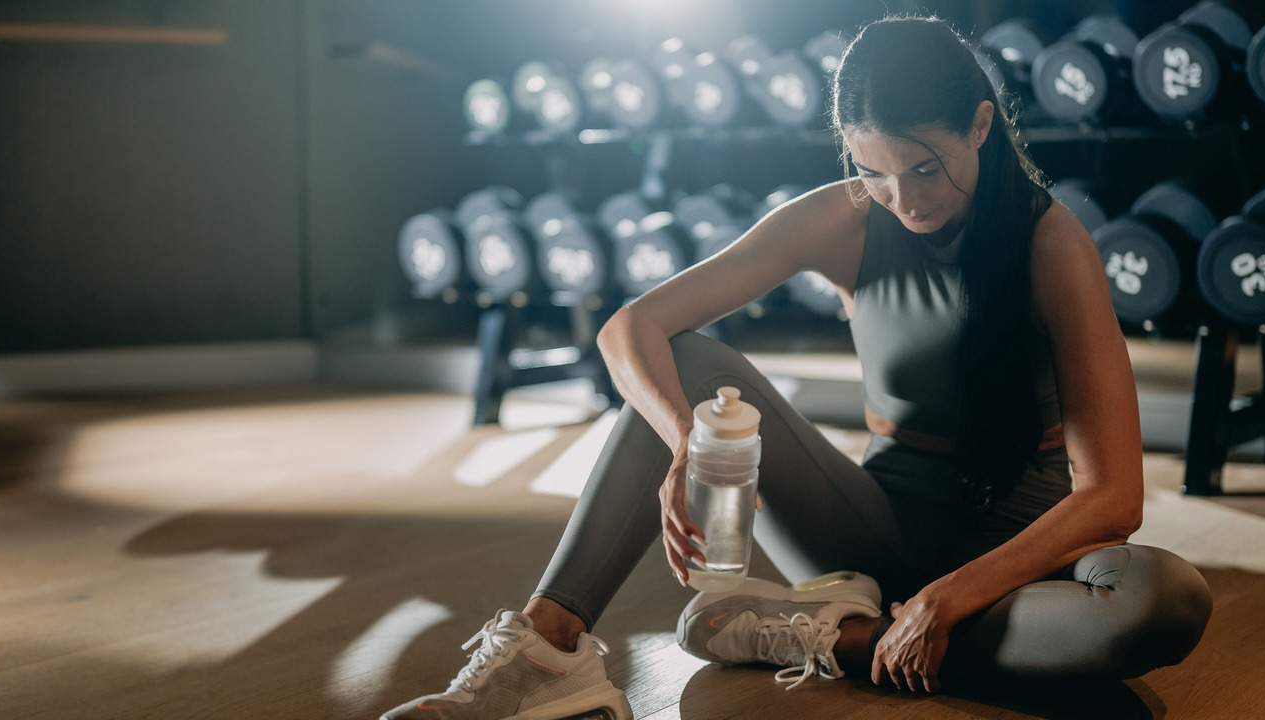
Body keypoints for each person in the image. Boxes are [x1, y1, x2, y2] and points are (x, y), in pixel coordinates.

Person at [381, 15, 1212, 720]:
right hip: (870, 531)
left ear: (983, 126)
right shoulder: (846, 219)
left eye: (926, 168)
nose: (906, 200)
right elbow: (634, 327)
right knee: (690, 363)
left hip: (1020, 554)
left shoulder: (1051, 242)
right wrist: (683, 445)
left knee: (1164, 603)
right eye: (875, 172)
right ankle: (551, 655)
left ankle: (834, 637)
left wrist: (948, 598)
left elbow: (1115, 497)